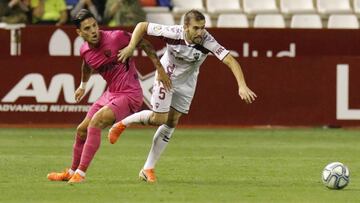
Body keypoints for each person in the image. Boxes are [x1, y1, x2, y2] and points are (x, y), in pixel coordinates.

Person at [108, 9, 257, 183]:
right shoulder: (172, 33)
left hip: (188, 81)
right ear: (185, 27)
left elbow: (230, 60)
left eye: (203, 27)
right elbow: (142, 26)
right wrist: (131, 46)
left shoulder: (206, 41)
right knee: (159, 119)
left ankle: (148, 168)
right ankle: (122, 123)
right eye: (196, 28)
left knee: (172, 122)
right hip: (167, 76)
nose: (201, 32)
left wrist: (242, 85)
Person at [47, 9, 171, 184]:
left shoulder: (116, 37)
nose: (93, 31)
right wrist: (82, 86)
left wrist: (160, 69)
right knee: (81, 130)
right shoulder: (84, 50)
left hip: (130, 94)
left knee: (96, 122)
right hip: (111, 93)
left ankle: (80, 174)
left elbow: (145, 44)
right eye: (87, 28)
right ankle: (71, 171)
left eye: (94, 26)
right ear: (79, 32)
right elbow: (87, 65)